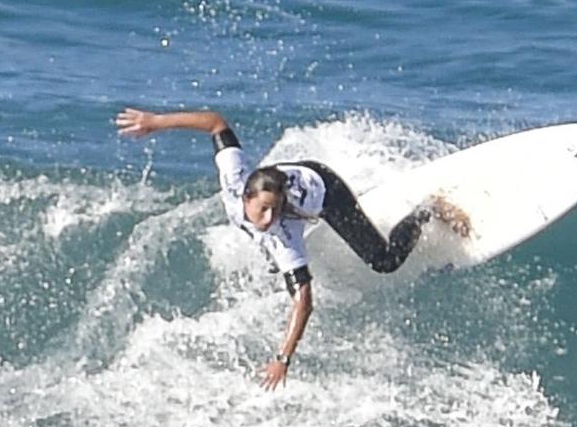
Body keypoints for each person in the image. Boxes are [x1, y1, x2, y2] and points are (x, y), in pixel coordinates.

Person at [114, 107, 471, 390]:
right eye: (263, 209)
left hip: (327, 191)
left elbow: (304, 300)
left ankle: (427, 209)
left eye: (276, 209)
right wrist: (155, 122)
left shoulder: (283, 234)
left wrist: (282, 358)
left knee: (384, 261)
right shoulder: (235, 180)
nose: (269, 218)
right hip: (292, 176)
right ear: (246, 197)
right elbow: (215, 122)